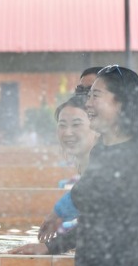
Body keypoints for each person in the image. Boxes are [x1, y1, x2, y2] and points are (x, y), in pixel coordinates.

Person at [15, 65, 138, 266]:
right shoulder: (103, 154)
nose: (87, 103)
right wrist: (51, 246)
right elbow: (96, 225)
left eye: (96, 96)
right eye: (88, 95)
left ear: (123, 103)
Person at [9, 95, 97, 254]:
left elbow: (101, 222)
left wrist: (50, 246)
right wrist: (57, 214)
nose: (67, 133)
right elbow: (85, 193)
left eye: (76, 125)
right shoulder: (91, 164)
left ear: (97, 127)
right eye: (62, 125)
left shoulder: (106, 165)